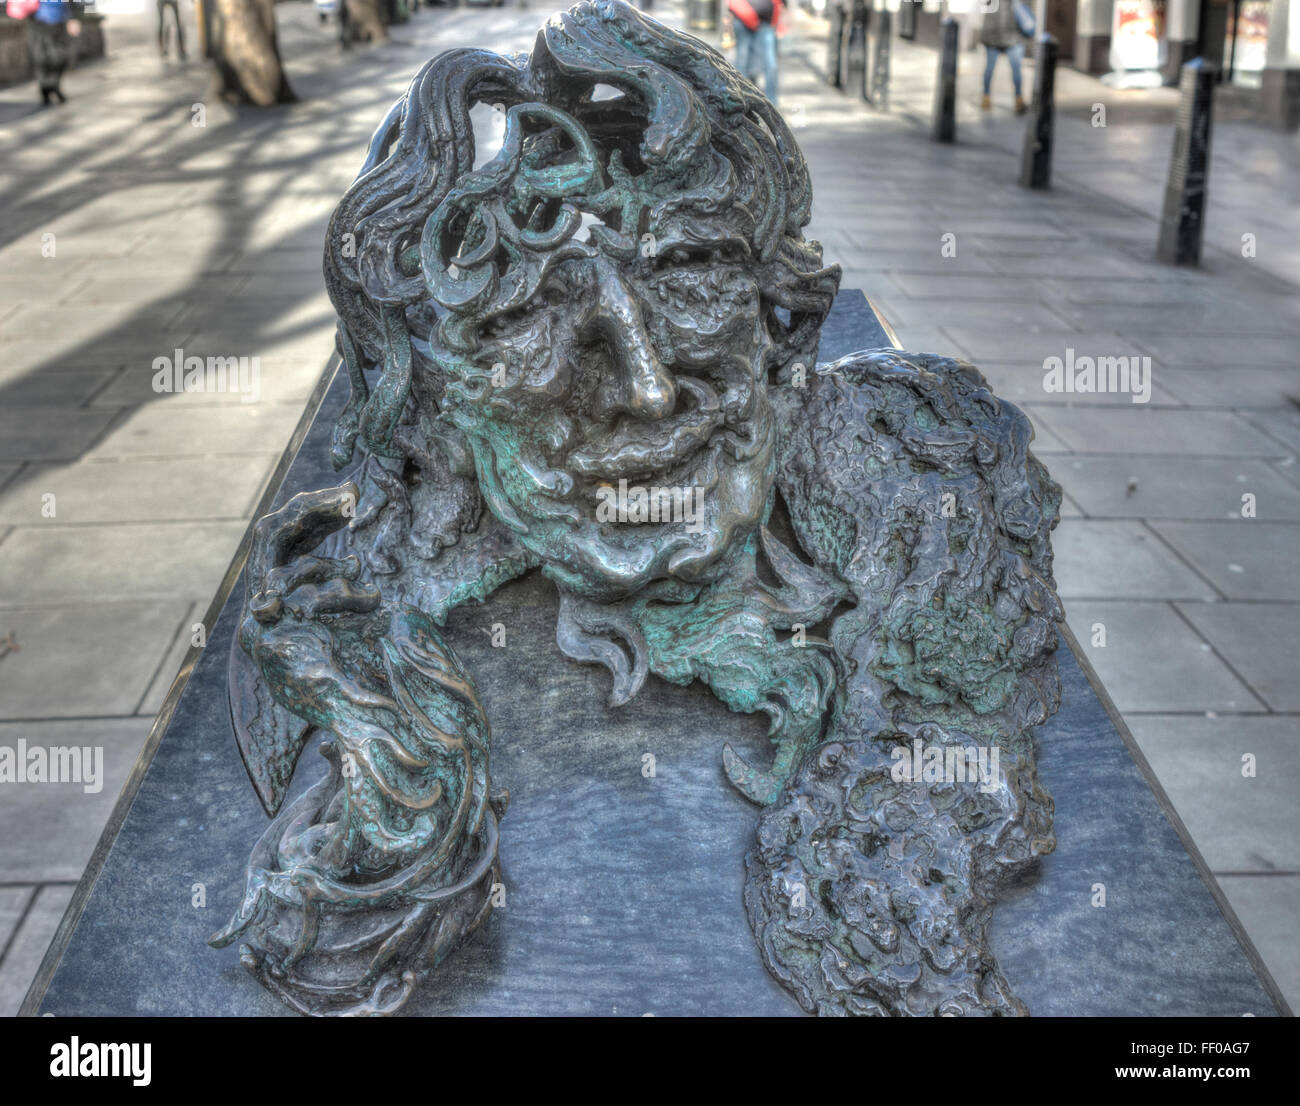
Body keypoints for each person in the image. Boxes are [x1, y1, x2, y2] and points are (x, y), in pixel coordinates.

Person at [7, 0, 79, 106]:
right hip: (38, 21)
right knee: (41, 58)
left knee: (60, 57)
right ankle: (46, 89)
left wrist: (73, 18)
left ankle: (52, 86)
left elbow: (72, 3)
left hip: (58, 21)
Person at [728, 0, 782, 104]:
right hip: (743, 17)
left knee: (768, 63)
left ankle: (771, 101)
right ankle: (740, 99)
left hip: (765, 21)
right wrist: (750, 17)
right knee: (742, 62)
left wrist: (776, 19)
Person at [979, 0, 1027, 114]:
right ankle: (1017, 99)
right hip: (1006, 37)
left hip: (1007, 38)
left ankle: (1017, 99)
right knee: (992, 68)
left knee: (1014, 70)